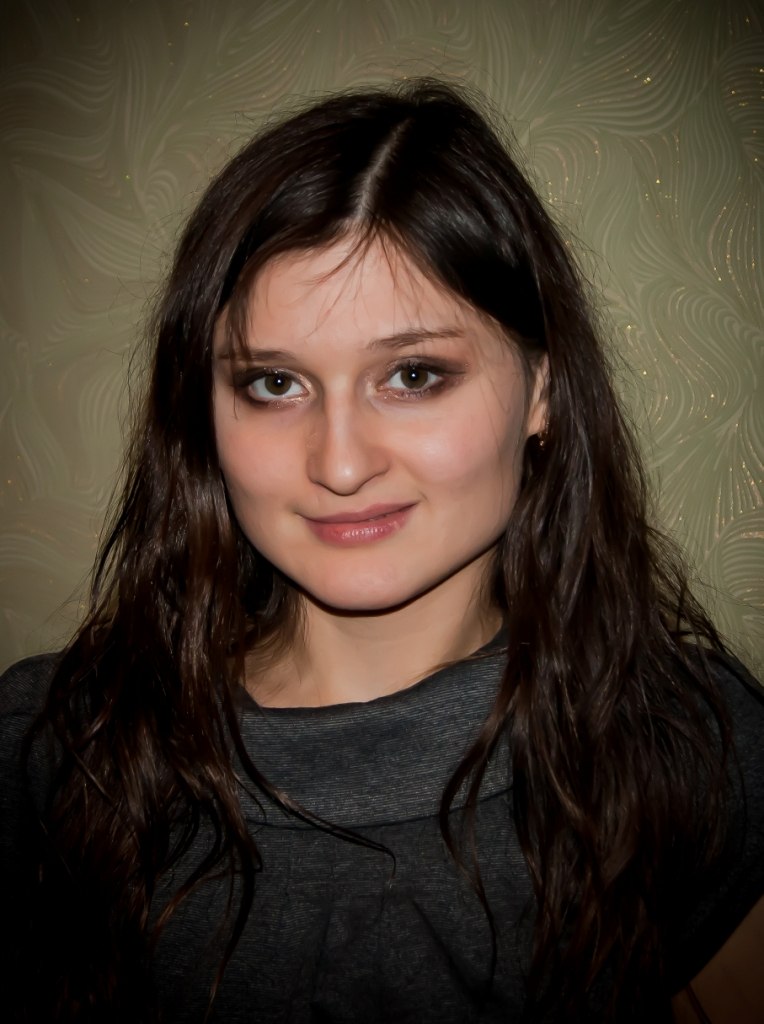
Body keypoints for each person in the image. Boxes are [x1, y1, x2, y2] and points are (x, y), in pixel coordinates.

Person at [1, 79, 762, 1024]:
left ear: (542, 390)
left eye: (412, 374)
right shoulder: (54, 751)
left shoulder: (691, 753)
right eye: (275, 384)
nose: (341, 463)